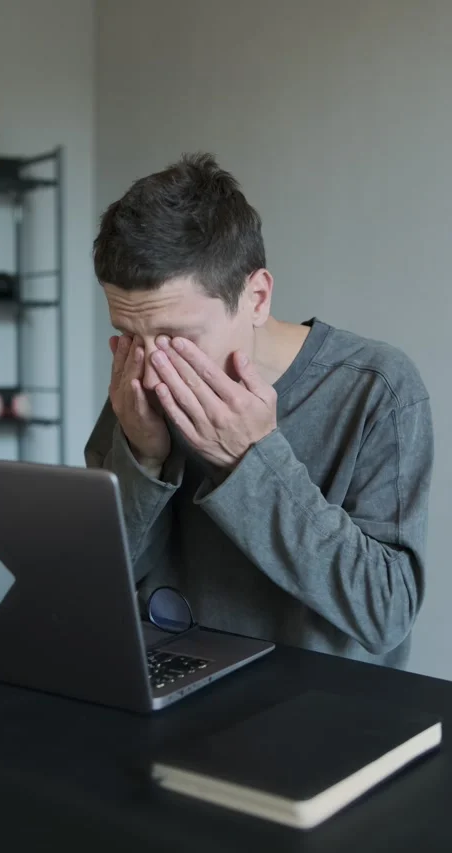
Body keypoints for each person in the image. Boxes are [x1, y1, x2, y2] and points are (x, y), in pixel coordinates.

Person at [85, 152, 433, 669]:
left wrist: (252, 459)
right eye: (130, 334)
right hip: (169, 680)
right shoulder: (141, 378)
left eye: (178, 338)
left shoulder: (376, 387)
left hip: (322, 705)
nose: (154, 369)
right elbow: (96, 588)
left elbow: (385, 614)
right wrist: (141, 459)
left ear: (257, 297)